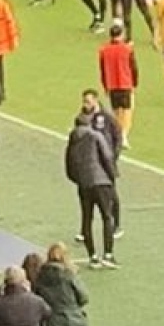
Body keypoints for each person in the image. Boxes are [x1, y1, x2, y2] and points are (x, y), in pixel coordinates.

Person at [66, 113, 120, 269]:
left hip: (84, 184)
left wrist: (78, 180)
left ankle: (93, 256)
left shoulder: (72, 141)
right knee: (107, 217)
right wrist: (112, 176)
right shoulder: (95, 136)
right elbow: (107, 157)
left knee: (87, 219)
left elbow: (68, 165)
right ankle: (108, 254)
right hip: (101, 182)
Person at [99, 26, 139, 149]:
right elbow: (133, 67)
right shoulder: (127, 49)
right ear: (121, 35)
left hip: (112, 85)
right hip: (125, 83)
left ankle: (117, 135)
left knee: (117, 112)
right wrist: (135, 83)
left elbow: (102, 70)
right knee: (127, 111)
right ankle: (123, 136)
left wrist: (105, 85)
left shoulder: (104, 50)